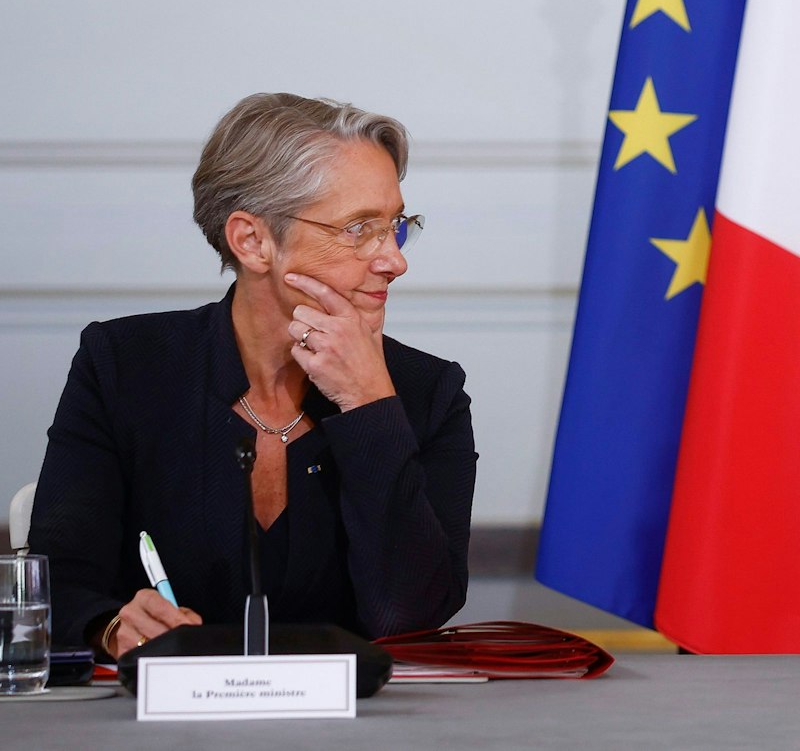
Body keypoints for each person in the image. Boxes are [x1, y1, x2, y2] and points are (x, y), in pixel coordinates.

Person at [28, 93, 476, 660]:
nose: (394, 259)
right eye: (359, 228)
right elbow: (56, 586)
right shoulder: (124, 365)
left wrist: (368, 402)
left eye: (395, 226)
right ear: (252, 241)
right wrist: (114, 626)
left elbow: (410, 616)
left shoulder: (427, 393)